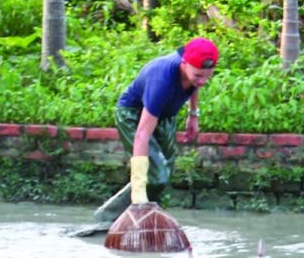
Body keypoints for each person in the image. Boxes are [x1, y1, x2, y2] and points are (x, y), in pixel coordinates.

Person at [88, 37, 219, 227]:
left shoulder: (194, 68)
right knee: (157, 175)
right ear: (184, 64)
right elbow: (142, 134)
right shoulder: (162, 81)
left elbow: (194, 85)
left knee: (166, 168)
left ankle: (146, 214)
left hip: (165, 116)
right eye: (199, 75)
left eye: (208, 76)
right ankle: (110, 216)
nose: (203, 81)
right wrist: (139, 191)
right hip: (133, 115)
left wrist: (193, 114)